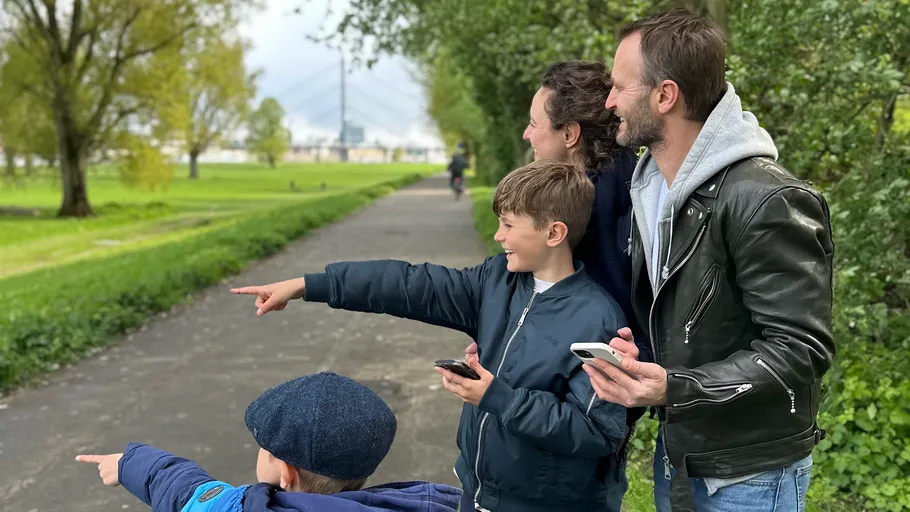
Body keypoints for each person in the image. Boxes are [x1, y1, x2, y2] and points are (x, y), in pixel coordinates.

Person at [233, 160, 631, 512]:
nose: (498, 236)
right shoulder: (497, 281)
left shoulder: (597, 318)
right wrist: (307, 285)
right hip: (476, 494)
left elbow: (596, 431)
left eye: (509, 225)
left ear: (554, 233)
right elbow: (409, 285)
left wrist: (497, 398)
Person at [582, 9, 835, 512]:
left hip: (748, 472)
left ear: (664, 96)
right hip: (680, 451)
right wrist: (645, 362)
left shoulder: (766, 198)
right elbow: (692, 323)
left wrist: (676, 386)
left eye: (618, 87)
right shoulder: (652, 187)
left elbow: (801, 349)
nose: (609, 102)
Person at [76, 372, 462, 512]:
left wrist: (128, 463)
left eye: (265, 447)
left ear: (286, 473)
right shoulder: (428, 501)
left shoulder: (244, 507)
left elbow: (188, 493)